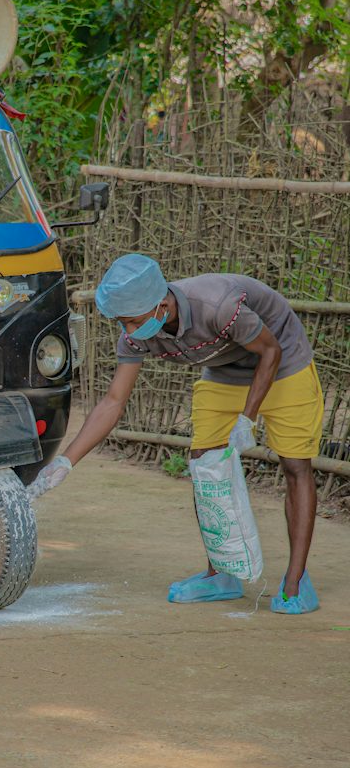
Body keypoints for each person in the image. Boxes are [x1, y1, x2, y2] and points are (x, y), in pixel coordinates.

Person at [29, 254, 324, 615]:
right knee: (204, 465)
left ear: (163, 306)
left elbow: (270, 351)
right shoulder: (137, 332)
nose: (127, 331)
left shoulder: (217, 304)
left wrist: (248, 419)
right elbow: (113, 401)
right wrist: (65, 462)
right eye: (122, 323)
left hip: (283, 363)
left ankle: (296, 582)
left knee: (295, 466)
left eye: (132, 322)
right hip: (226, 372)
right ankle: (222, 573)